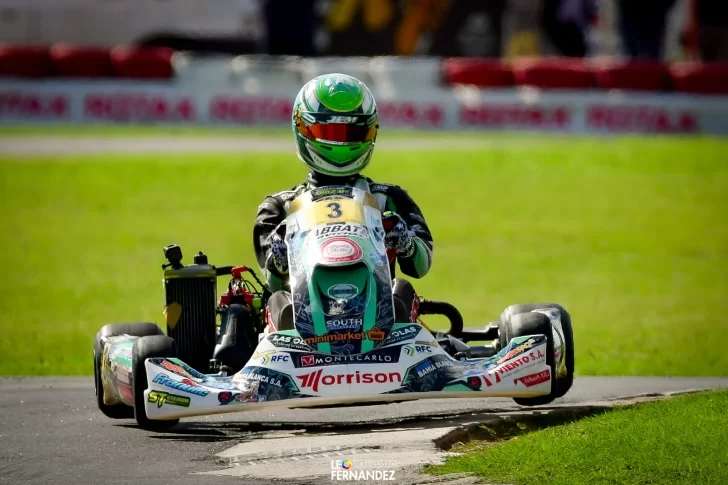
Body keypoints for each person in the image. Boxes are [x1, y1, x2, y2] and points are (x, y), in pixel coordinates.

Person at [253, 73, 434, 329]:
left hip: (380, 321)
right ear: (303, 130)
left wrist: (404, 241)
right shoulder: (279, 208)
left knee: (401, 290)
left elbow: (421, 265)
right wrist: (281, 253)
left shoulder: (388, 199)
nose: (341, 142)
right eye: (330, 131)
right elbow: (272, 281)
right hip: (300, 325)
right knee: (278, 300)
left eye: (352, 133)